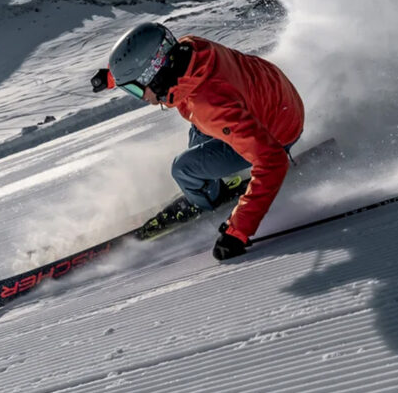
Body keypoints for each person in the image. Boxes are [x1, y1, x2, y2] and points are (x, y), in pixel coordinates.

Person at [90, 22, 304, 260]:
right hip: (275, 99)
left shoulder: (210, 105)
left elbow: (273, 159)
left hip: (276, 133)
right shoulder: (189, 49)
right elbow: (152, 56)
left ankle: (208, 202)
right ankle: (209, 185)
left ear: (154, 76)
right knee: (197, 136)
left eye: (136, 90)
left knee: (184, 169)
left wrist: (238, 231)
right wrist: (111, 78)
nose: (141, 98)